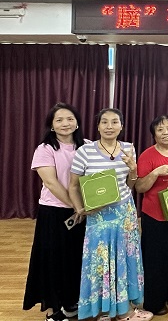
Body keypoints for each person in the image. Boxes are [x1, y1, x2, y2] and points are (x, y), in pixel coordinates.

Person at [68, 108, 152, 321]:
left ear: (121, 126)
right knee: (100, 262)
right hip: (98, 217)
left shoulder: (128, 148)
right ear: (97, 126)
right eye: (104, 122)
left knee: (125, 259)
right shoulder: (85, 151)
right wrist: (80, 209)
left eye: (114, 122)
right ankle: (103, 309)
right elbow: (73, 186)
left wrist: (133, 169)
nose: (109, 126)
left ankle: (125, 309)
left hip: (125, 214)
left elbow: (130, 185)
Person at [24, 103, 88, 321]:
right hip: (54, 211)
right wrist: (75, 205)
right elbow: (51, 183)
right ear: (51, 125)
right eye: (59, 120)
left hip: (84, 212)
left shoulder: (87, 146)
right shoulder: (45, 149)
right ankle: (54, 310)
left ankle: (73, 302)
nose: (65, 123)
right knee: (53, 261)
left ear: (77, 122)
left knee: (76, 258)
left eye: (70, 118)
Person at [135, 115, 168, 316]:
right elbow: (140, 187)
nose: (166, 133)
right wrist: (156, 173)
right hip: (154, 215)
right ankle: (155, 302)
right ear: (154, 134)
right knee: (155, 259)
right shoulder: (147, 155)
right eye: (160, 130)